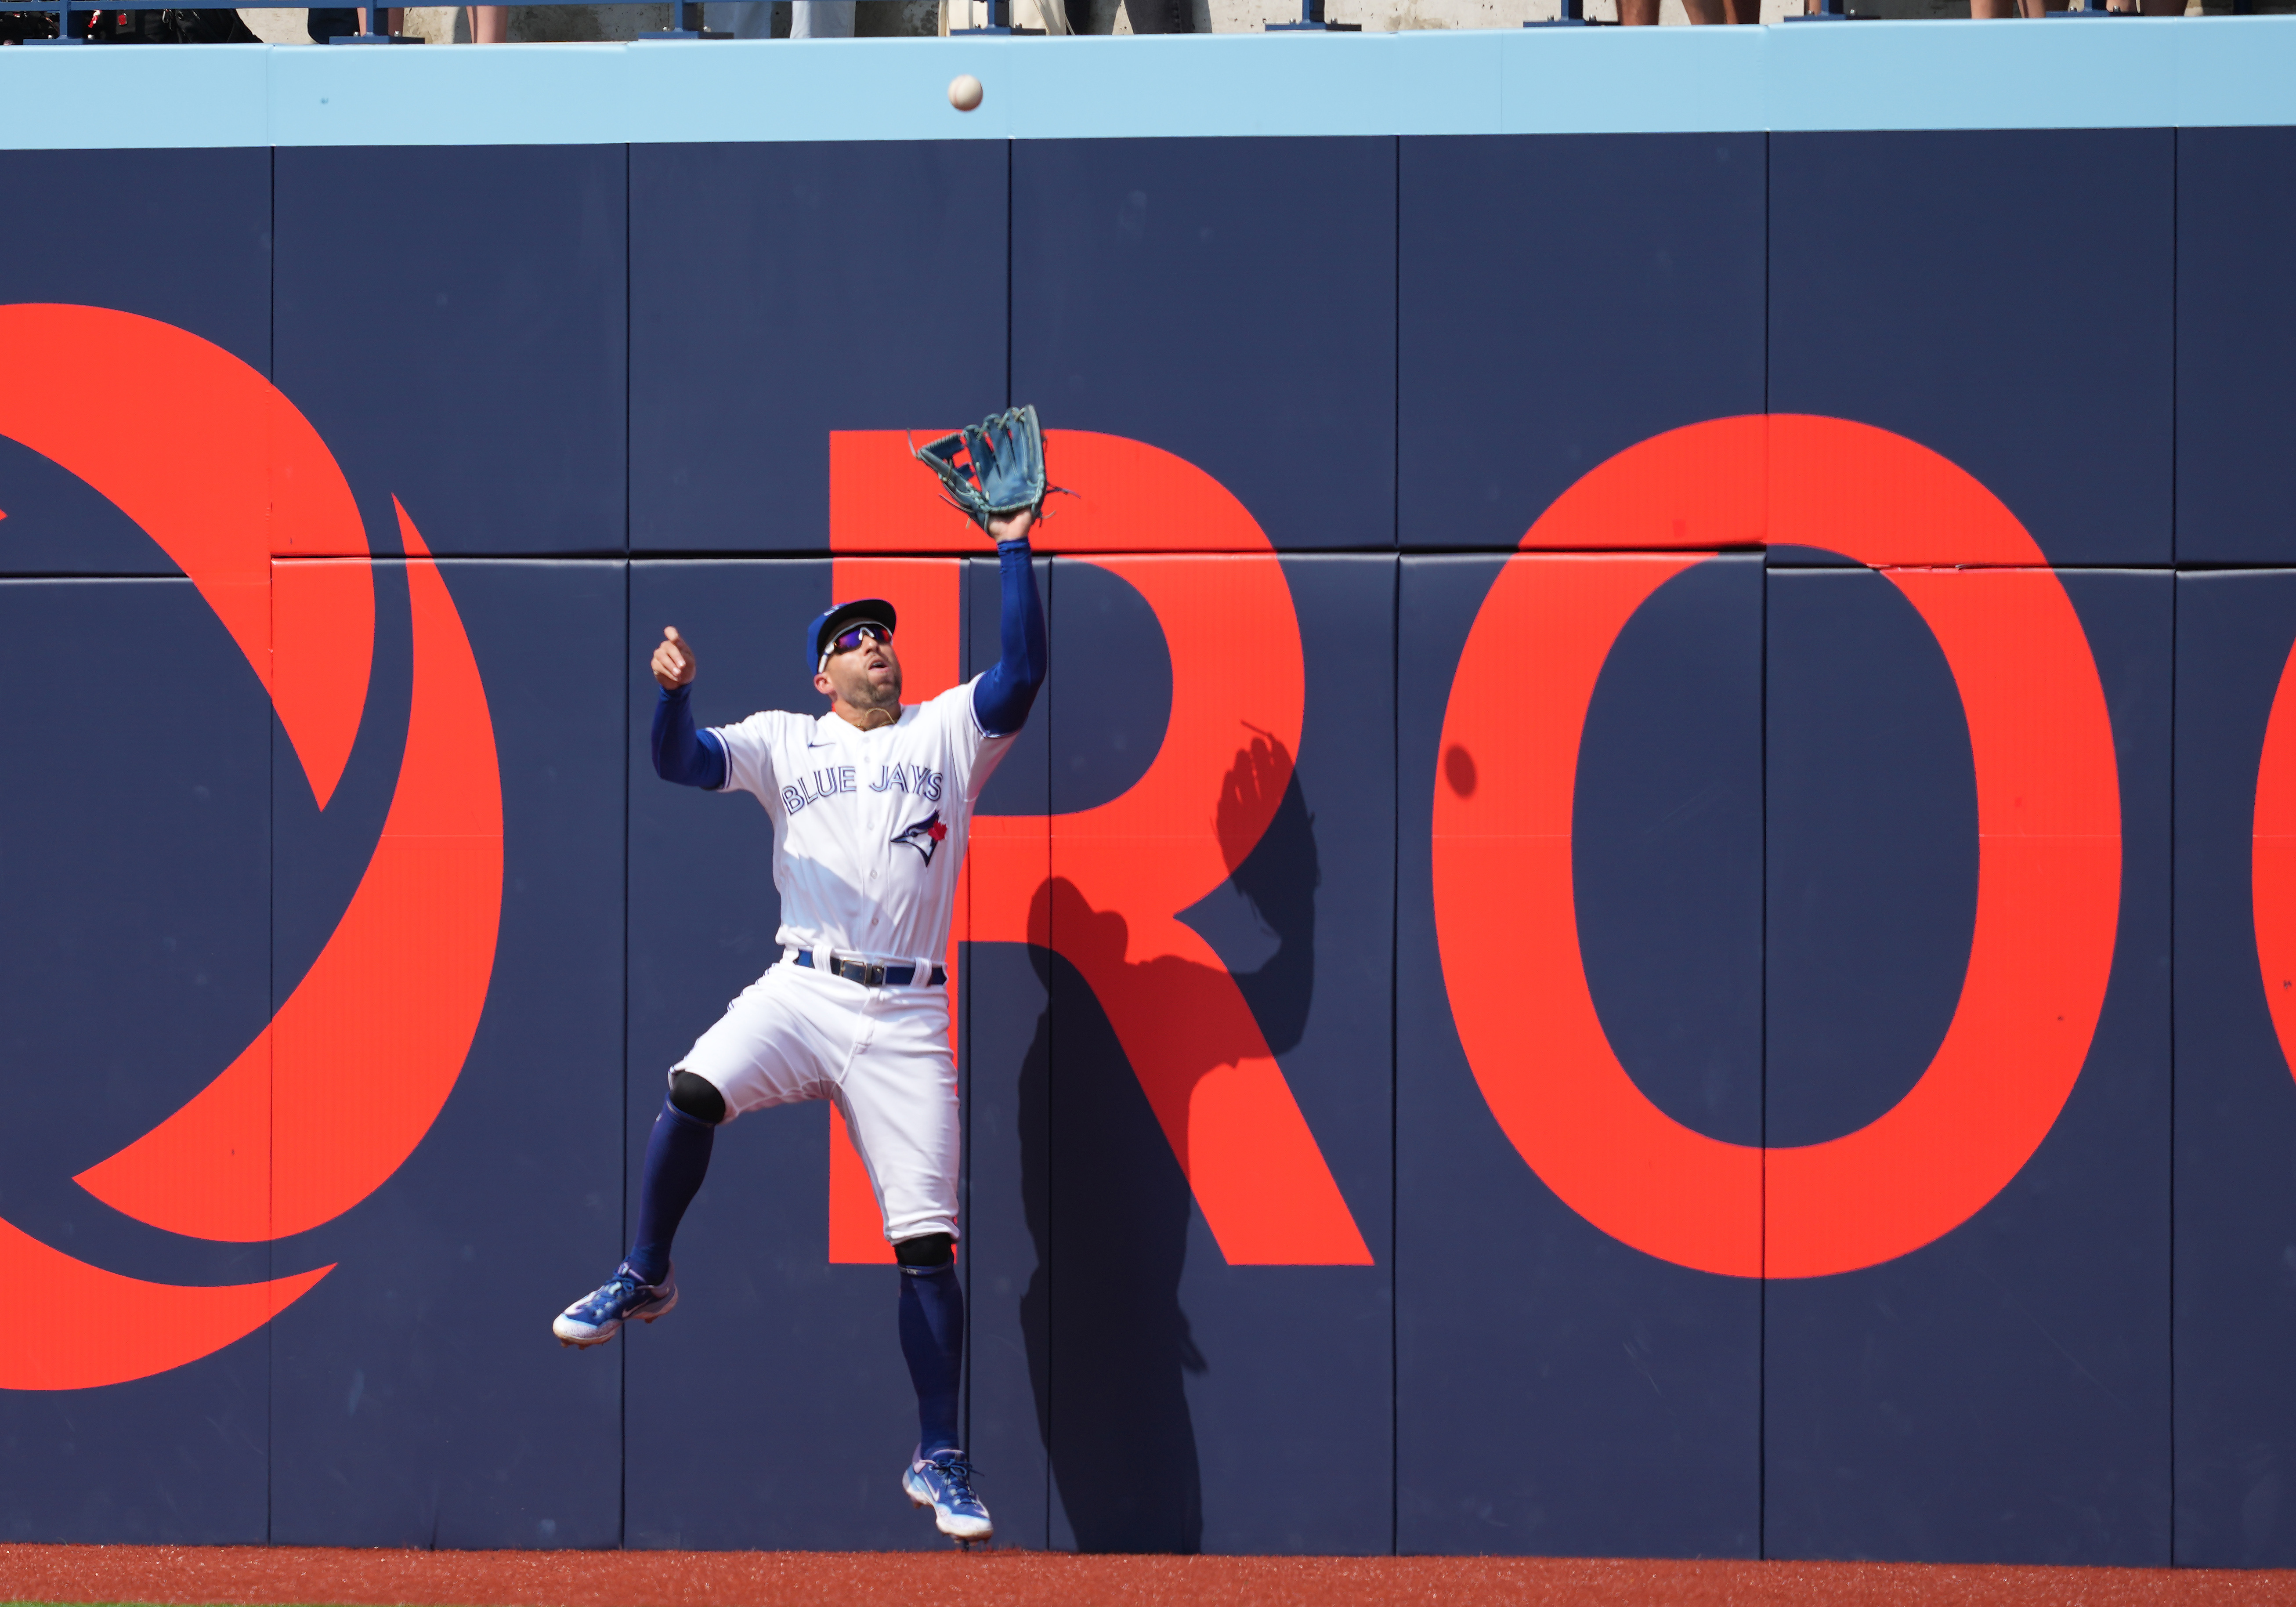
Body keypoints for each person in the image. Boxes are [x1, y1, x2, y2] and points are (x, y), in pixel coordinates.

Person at [552, 505, 1046, 1548]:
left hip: (908, 1007)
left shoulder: (946, 730)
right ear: (825, 673)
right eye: (854, 639)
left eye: (884, 633)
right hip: (805, 984)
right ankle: (647, 1270)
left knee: (925, 1243)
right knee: (692, 1086)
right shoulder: (787, 737)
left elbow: (1022, 672)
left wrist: (1012, 544)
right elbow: (680, 765)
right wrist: (674, 696)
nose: (877, 644)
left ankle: (938, 1453)